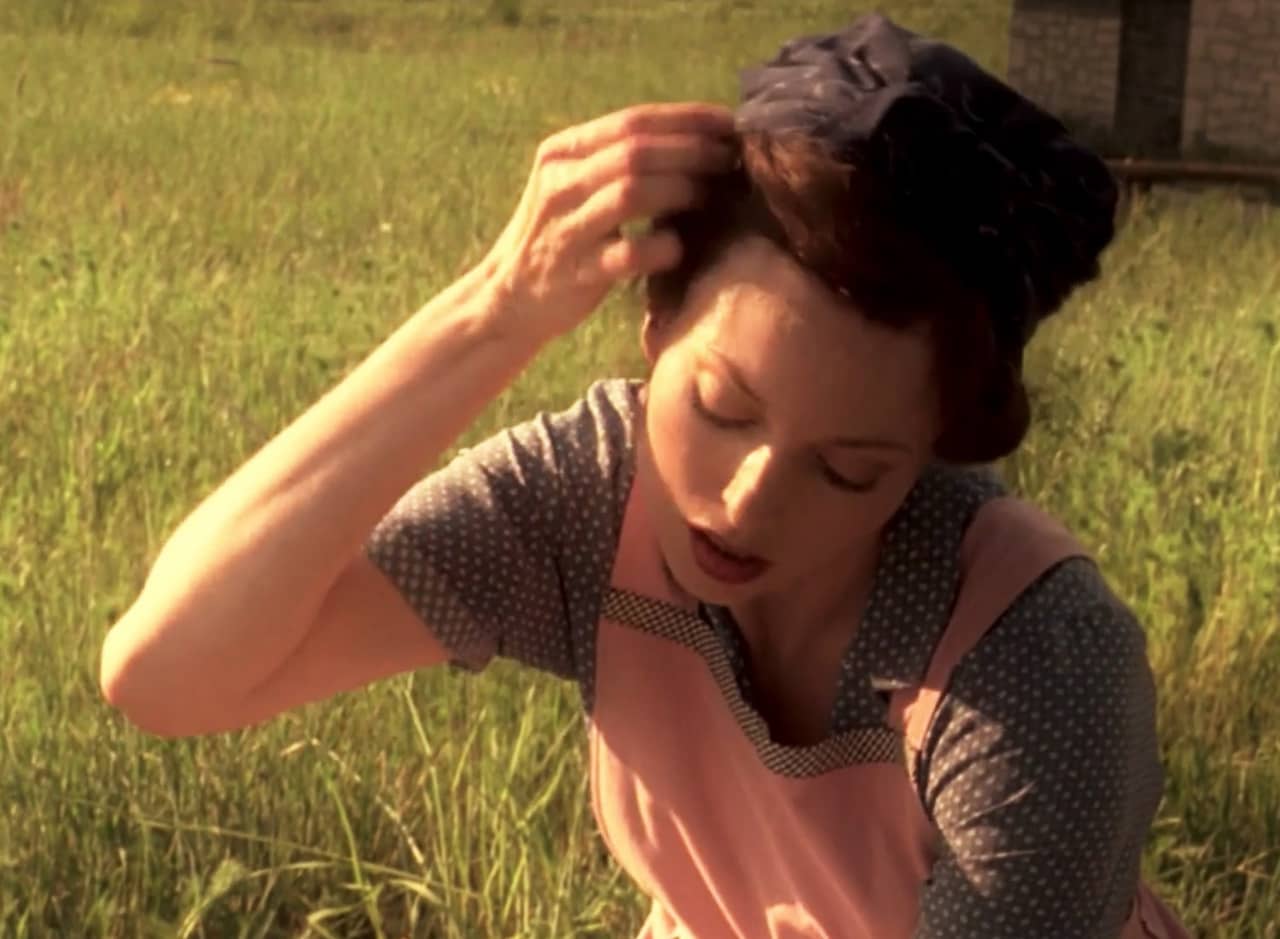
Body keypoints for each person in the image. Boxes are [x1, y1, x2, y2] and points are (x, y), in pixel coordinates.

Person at [99, 13, 1191, 939]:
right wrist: (490, 309)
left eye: (849, 470)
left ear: (933, 450)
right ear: (653, 324)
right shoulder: (593, 496)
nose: (749, 496)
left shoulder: (1032, 664)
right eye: (719, 409)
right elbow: (172, 674)